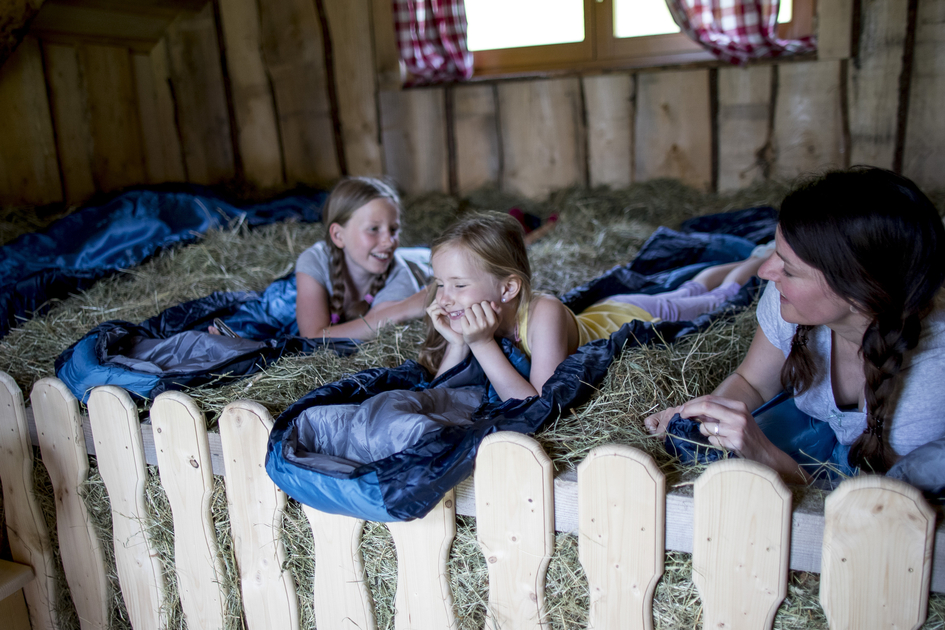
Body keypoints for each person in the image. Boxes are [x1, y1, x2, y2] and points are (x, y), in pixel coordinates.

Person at [644, 167, 945, 485]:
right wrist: (705, 419)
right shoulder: (789, 303)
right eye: (776, 252)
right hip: (822, 440)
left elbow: (878, 520)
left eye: (788, 268)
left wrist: (767, 457)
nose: (764, 271)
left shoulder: (931, 386)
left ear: (859, 295)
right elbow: (752, 383)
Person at [419, 211, 767, 402]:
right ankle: (743, 261)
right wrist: (458, 341)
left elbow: (538, 402)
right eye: (440, 284)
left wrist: (480, 344)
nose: (444, 297)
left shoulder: (544, 313)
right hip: (606, 311)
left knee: (714, 297)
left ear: (508, 287)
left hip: (631, 315)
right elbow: (440, 392)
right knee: (690, 288)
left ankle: (761, 256)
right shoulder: (477, 319)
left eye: (459, 285)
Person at [209, 177, 427, 339]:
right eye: (373, 229)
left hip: (423, 260)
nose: (389, 242)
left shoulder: (400, 275)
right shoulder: (316, 258)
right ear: (338, 235)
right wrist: (404, 309)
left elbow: (369, 332)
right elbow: (313, 335)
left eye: (394, 229)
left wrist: (403, 309)